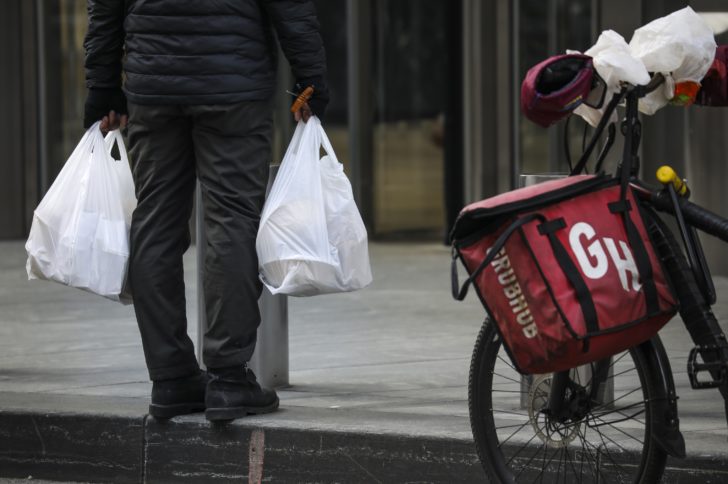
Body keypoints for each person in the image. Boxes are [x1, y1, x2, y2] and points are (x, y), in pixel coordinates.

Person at [83, 0, 329, 422]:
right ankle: (230, 379)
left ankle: (171, 377)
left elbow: (105, 6)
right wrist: (311, 78)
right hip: (233, 84)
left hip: (153, 85)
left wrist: (102, 84)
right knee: (231, 219)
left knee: (155, 223)